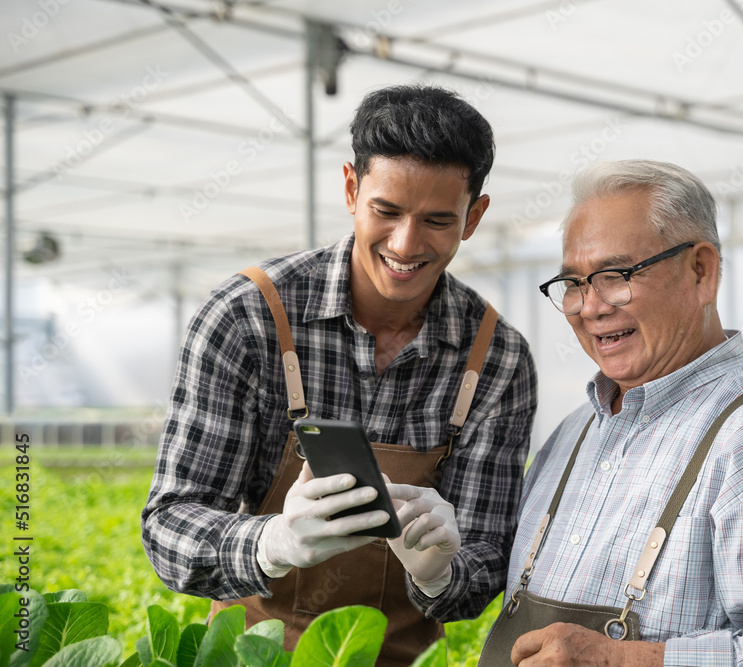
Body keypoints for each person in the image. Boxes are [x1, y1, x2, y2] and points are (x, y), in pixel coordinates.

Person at [141, 84, 537, 666]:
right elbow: (169, 525)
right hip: (255, 653)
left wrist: (441, 574)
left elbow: (479, 567)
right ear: (352, 188)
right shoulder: (247, 318)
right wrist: (272, 542)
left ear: (473, 217)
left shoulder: (496, 358)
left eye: (436, 220)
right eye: (387, 211)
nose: (406, 244)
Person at [482, 160, 743, 666]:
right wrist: (438, 565)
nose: (590, 307)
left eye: (615, 276)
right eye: (573, 283)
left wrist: (617, 660)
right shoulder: (574, 433)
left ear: (701, 271)